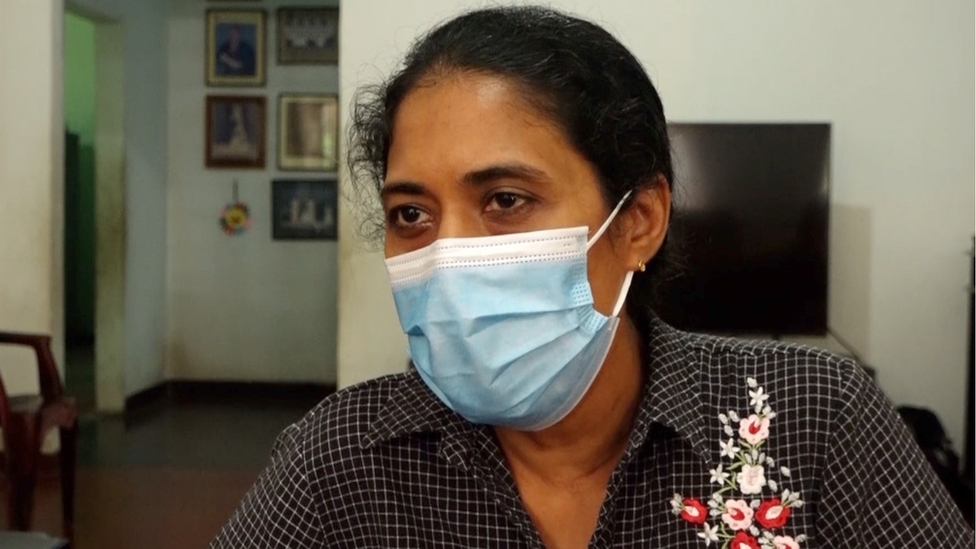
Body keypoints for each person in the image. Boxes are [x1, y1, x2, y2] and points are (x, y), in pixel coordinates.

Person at [211, 6, 973, 548]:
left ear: (638, 219)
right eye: (412, 214)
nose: (446, 256)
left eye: (505, 200)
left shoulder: (817, 419)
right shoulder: (340, 459)